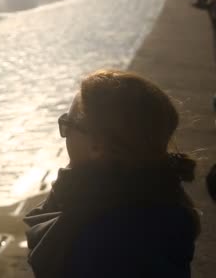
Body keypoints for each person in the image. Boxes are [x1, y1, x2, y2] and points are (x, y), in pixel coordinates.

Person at [23, 69, 200, 278]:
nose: (65, 134)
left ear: (97, 146)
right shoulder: (165, 194)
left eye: (67, 124)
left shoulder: (98, 238)